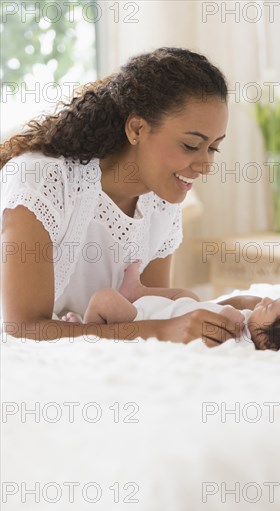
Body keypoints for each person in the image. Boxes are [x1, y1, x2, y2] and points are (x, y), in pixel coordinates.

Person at [0, 47, 240, 347]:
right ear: (137, 128)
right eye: (192, 145)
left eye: (213, 148)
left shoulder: (162, 202)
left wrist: (232, 307)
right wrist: (162, 330)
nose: (206, 165)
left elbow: (146, 314)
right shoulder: (42, 181)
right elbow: (23, 329)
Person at [62, 261, 280, 350]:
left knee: (104, 299)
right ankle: (137, 290)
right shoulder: (254, 323)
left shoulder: (240, 338)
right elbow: (229, 304)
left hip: (145, 317)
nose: (265, 300)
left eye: (271, 308)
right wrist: (259, 305)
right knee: (188, 294)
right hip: (176, 307)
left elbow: (228, 314)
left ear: (270, 343)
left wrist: (236, 311)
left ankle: (87, 329)